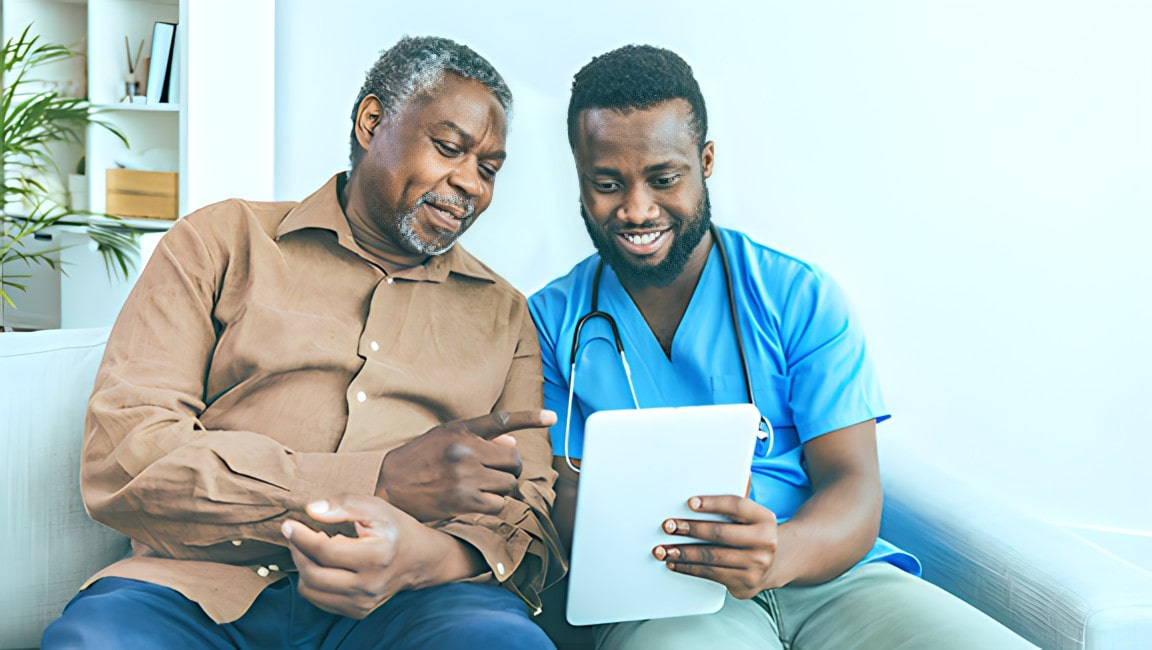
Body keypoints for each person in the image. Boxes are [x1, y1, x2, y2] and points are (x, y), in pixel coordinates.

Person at [42, 36, 563, 650]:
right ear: (373, 122)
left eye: (489, 168)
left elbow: (526, 515)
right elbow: (127, 454)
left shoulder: (504, 315)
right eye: (449, 148)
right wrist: (379, 481)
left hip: (416, 606)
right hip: (194, 589)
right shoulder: (219, 242)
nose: (469, 183)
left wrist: (424, 555)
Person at [528, 45, 1033, 649]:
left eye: (665, 179)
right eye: (607, 183)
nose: (637, 209)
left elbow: (853, 485)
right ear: (579, 176)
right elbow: (559, 499)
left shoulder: (796, 295)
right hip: (665, 592)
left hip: (830, 575)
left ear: (706, 161)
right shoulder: (550, 323)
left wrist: (778, 552)